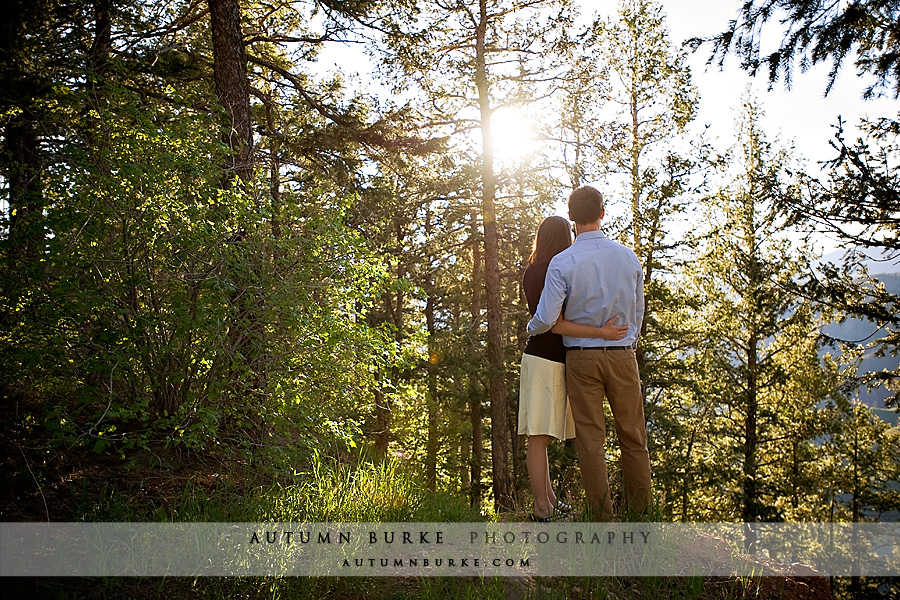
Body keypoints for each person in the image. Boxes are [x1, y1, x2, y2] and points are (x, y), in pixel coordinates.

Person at [527, 186, 651, 521]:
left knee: (591, 442)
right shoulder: (628, 257)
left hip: (581, 358)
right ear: (602, 213)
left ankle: (602, 521)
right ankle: (640, 519)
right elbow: (637, 309)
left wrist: (530, 327)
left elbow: (548, 317)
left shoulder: (562, 261)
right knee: (634, 438)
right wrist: (629, 344)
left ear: (571, 217)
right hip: (623, 354)